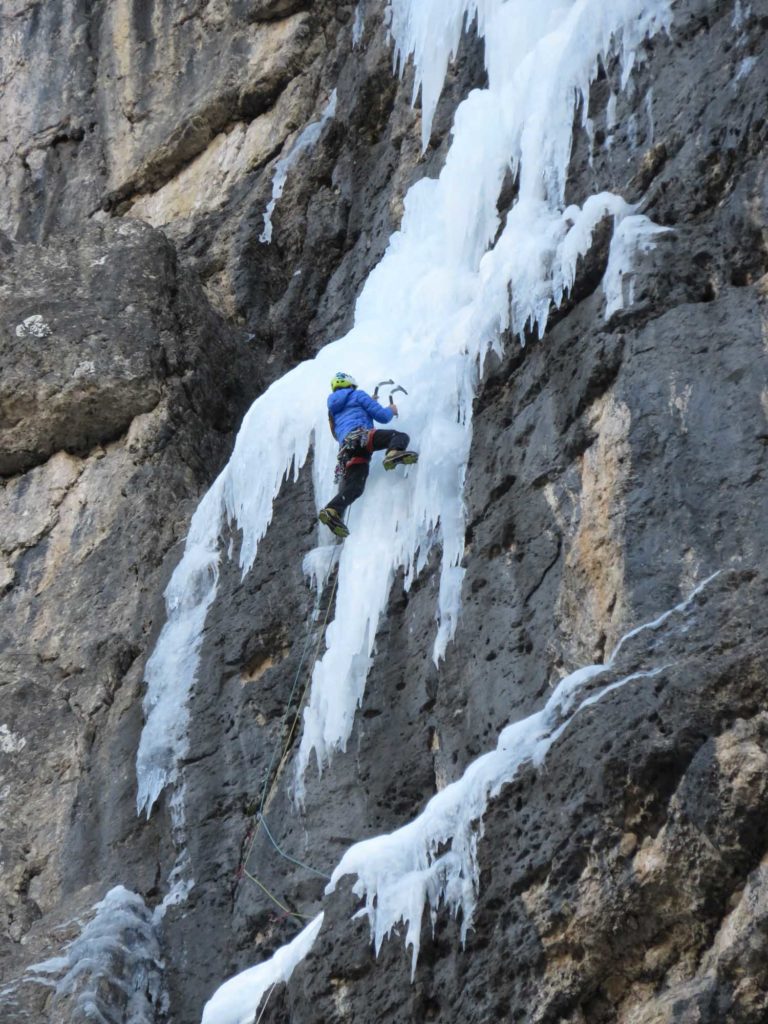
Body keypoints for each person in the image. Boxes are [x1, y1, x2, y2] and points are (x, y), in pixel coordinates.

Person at [319, 372, 418, 537]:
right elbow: (383, 417)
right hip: (362, 438)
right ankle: (393, 453)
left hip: (347, 448)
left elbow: (338, 432)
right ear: (352, 384)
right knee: (399, 437)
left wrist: (366, 407)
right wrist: (391, 410)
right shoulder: (358, 395)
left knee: (355, 487)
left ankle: (332, 510)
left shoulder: (332, 409)